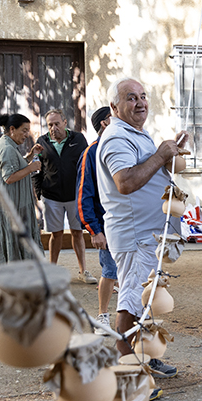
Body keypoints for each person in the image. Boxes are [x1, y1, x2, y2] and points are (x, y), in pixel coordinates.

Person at [97, 78, 189, 379]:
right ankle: (127, 372)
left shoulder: (136, 132)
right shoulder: (115, 137)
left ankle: (143, 356)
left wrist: (168, 156)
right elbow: (126, 182)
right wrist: (161, 155)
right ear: (115, 106)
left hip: (150, 236)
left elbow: (147, 170)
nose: (140, 103)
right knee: (131, 301)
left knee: (146, 298)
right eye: (131, 98)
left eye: (143, 96)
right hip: (135, 237)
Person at [33, 109, 95, 284]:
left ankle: (83, 271)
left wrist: (87, 191)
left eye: (56, 123)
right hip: (51, 196)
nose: (53, 128)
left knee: (77, 232)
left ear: (65, 122)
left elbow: (86, 165)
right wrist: (39, 191)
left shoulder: (78, 139)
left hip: (75, 195)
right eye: (50, 124)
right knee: (56, 234)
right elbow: (37, 169)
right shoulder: (42, 142)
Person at [77, 106, 118, 333]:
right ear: (104, 122)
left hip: (128, 223)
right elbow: (84, 194)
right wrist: (94, 230)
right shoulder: (91, 153)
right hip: (107, 225)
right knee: (109, 271)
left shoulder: (120, 147)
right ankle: (102, 317)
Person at [0, 113, 44, 267]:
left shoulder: (8, 145)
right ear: (12, 129)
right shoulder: (7, 148)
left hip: (13, 205)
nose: (27, 135)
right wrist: (31, 168)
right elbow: (9, 177)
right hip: (10, 207)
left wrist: (31, 155)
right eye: (24, 130)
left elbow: (16, 166)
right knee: (12, 241)